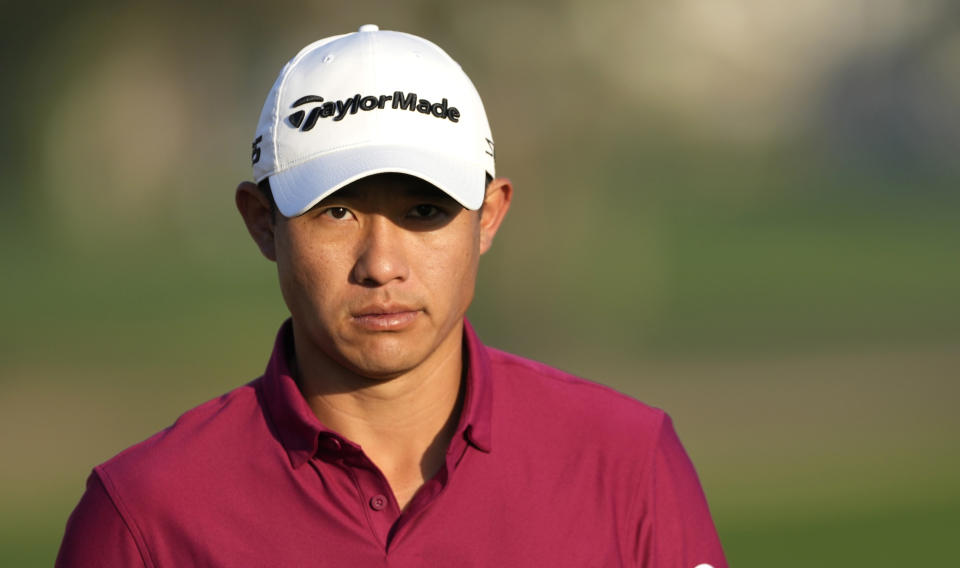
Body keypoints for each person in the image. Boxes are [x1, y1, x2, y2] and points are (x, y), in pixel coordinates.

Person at [57, 25, 727, 567]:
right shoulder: (145, 517)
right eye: (337, 213)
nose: (382, 265)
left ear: (488, 217)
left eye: (424, 211)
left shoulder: (628, 465)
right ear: (262, 223)